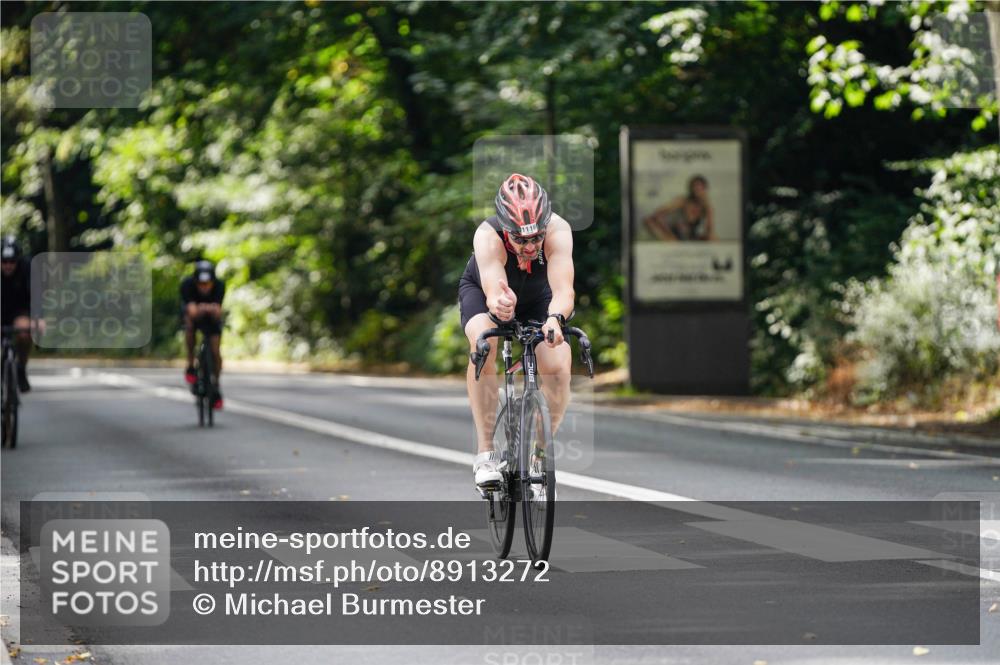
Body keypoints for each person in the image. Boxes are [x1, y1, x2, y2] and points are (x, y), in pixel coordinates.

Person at [459, 174, 575, 489]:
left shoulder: (558, 230)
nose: (530, 246)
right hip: (488, 292)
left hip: (539, 298)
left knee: (558, 366)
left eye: (536, 237)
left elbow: (564, 290)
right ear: (505, 228)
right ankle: (485, 454)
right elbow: (493, 289)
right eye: (520, 240)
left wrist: (555, 319)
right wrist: (500, 304)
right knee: (483, 343)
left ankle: (540, 453)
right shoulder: (488, 235)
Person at [180, 259, 225, 409]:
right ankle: (190, 363)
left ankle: (216, 385)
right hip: (193, 318)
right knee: (189, 327)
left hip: (211, 319)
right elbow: (192, 310)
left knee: (215, 351)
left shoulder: (219, 285)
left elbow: (217, 310)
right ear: (195, 281)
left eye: (207, 284)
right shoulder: (187, 285)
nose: (204, 287)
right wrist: (205, 308)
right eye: (201, 284)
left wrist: (206, 308)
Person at [0, 236, 33, 392]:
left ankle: (21, 367)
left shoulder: (27, 268)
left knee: (24, 332)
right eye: (4, 261)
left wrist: (38, 319)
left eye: (12, 261)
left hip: (19, 310)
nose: (8, 265)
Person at [643, 174, 716, 241]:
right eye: (695, 188)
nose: (697, 191)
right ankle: (672, 241)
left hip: (689, 236)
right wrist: (670, 230)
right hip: (673, 233)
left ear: (705, 189)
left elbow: (709, 230)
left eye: (700, 189)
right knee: (649, 220)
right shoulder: (682, 201)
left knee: (713, 239)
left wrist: (708, 209)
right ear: (691, 189)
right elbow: (658, 212)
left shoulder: (706, 206)